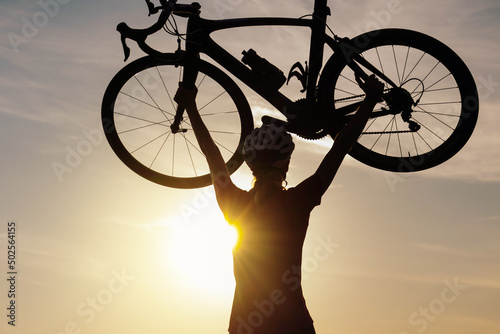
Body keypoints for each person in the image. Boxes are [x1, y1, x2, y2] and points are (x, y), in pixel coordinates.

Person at [174, 75, 384, 334]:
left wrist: (190, 106)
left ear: (250, 165)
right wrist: (371, 99)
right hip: (294, 324)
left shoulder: (235, 205)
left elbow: (210, 151)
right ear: (286, 163)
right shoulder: (297, 201)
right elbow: (341, 146)